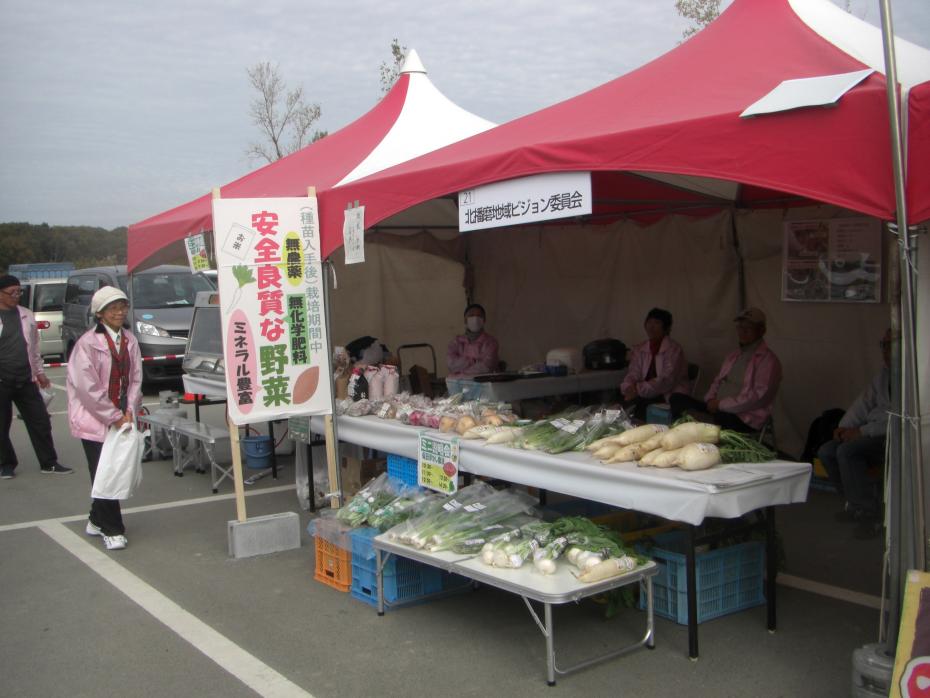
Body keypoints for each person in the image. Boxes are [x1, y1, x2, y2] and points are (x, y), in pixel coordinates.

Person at [67, 286, 142, 551]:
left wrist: (130, 408)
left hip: (122, 416)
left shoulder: (130, 340)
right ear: (99, 313)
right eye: (113, 308)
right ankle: (113, 529)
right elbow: (86, 387)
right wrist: (112, 416)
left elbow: (135, 378)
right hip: (95, 419)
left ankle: (96, 519)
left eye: (122, 307)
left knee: (113, 470)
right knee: (104, 472)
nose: (119, 312)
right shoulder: (87, 343)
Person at [818, 330, 891, 534]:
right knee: (827, 451)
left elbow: (899, 419)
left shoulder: (912, 378)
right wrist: (844, 426)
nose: (885, 350)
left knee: (847, 451)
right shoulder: (883, 375)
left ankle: (869, 512)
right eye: (883, 345)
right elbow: (863, 403)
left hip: (891, 436)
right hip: (870, 431)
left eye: (890, 345)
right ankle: (853, 503)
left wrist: (862, 431)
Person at [0, 274, 72, 479]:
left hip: (26, 379)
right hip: (2, 381)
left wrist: (40, 373)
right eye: (11, 292)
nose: (16, 296)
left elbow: (34, 348)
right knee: (2, 426)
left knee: (40, 421)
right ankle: (6, 464)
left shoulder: (26, 315)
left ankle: (49, 463)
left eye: (19, 292)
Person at [669, 307, 781, 433]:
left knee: (721, 418)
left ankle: (701, 427)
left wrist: (721, 404)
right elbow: (717, 381)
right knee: (677, 398)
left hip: (743, 416)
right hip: (718, 408)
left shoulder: (769, 361)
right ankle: (694, 428)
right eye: (740, 327)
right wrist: (710, 399)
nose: (742, 331)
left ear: (762, 330)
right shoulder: (734, 356)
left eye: (748, 328)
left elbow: (757, 398)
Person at [620, 307, 690, 421]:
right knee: (624, 406)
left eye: (657, 323)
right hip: (646, 392)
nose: (651, 326)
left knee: (638, 408)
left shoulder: (674, 349)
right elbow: (634, 372)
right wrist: (629, 386)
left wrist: (638, 389)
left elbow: (666, 380)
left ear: (666, 328)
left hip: (669, 394)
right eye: (649, 322)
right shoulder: (640, 349)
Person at [446, 303, 499, 377]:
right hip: (459, 383)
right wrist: (473, 361)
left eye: (479, 316)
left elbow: (486, 368)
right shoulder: (456, 342)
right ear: (465, 320)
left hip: (482, 383)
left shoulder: (491, 342)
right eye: (471, 315)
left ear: (484, 320)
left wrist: (460, 373)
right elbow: (451, 365)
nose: (475, 319)